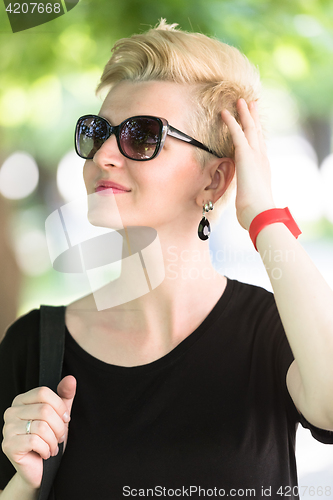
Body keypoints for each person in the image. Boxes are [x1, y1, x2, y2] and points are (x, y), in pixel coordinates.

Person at [1, 19, 333, 500]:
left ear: (214, 181)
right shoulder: (33, 348)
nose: (104, 156)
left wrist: (263, 213)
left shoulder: (272, 332)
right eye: (98, 133)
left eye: (141, 136)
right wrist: (24, 482)